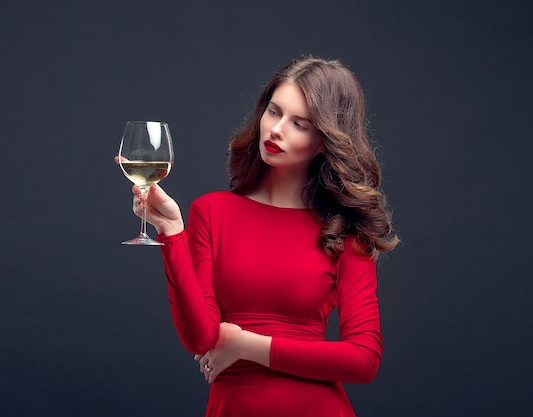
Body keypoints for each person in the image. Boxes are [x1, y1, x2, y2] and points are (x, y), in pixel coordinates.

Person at [117, 56, 399, 416]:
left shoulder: (344, 230)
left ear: (324, 142)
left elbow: (364, 360)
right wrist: (171, 232)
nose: (276, 129)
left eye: (299, 124)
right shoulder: (212, 211)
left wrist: (247, 344)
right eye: (273, 112)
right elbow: (199, 338)